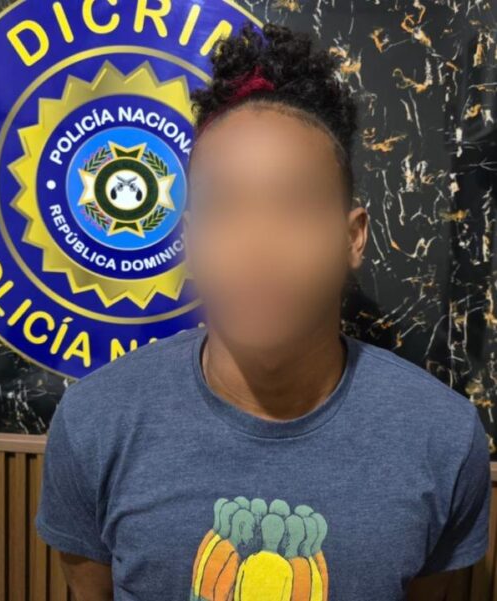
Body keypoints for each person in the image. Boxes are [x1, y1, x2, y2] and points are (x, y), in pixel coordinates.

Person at [36, 23, 490, 601]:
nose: (258, 245)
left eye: (294, 205)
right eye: (224, 207)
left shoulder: (443, 438)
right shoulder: (96, 422)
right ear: (189, 239)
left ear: (352, 237)